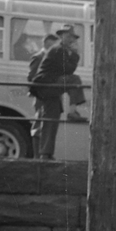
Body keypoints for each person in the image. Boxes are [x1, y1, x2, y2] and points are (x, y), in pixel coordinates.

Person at [30, 25, 87, 160]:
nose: (70, 39)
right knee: (75, 79)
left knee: (51, 118)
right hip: (47, 85)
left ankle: (45, 153)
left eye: (71, 37)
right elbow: (68, 70)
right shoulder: (58, 50)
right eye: (67, 36)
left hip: (47, 87)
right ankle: (72, 112)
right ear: (61, 36)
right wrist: (75, 54)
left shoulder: (60, 50)